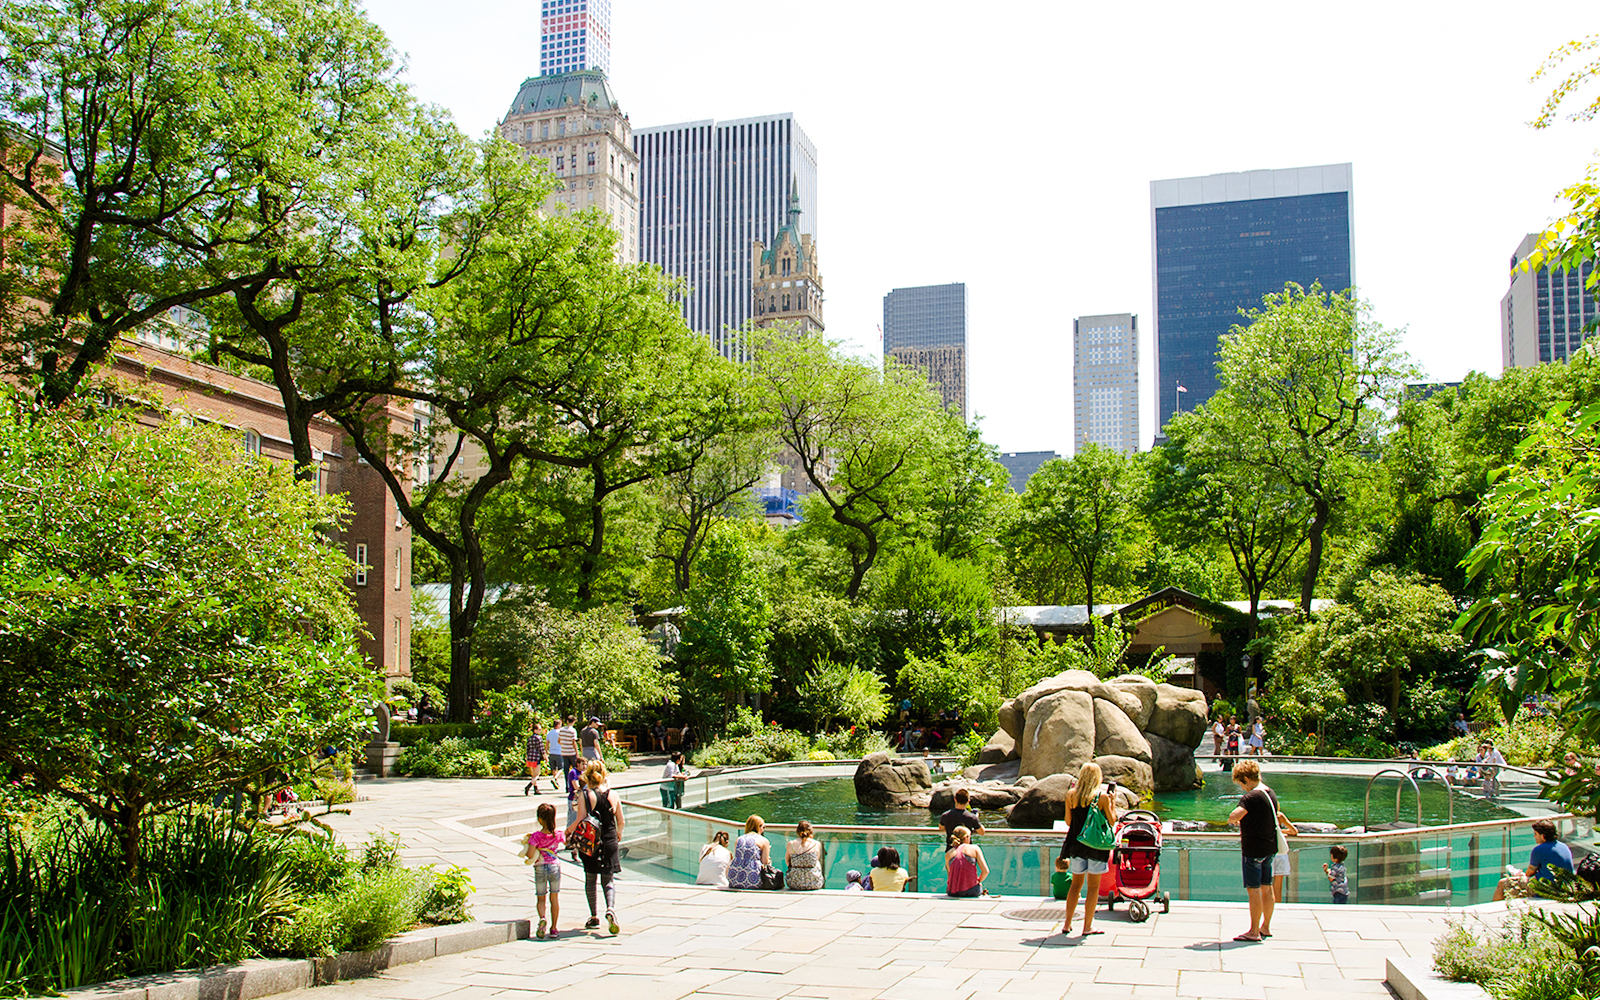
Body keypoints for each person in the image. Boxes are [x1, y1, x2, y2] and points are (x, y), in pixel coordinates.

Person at [1228, 758, 1285, 942]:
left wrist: (1236, 818)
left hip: (1253, 851)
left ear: (1246, 778)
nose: (1242, 788)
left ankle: (1253, 931)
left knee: (1253, 891)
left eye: (1240, 783)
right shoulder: (1270, 792)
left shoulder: (1251, 797)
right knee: (1267, 888)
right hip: (1270, 848)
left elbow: (1233, 816)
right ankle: (1265, 927)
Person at [565, 759, 623, 935]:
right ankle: (611, 908)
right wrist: (618, 835)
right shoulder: (613, 795)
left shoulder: (585, 795)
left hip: (591, 841)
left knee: (590, 878)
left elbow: (581, 818)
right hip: (610, 839)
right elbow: (621, 821)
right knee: (608, 879)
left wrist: (568, 831)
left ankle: (594, 916)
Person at [1058, 761, 1115, 937]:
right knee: (1093, 887)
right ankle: (1087, 927)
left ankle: (1067, 924)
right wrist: (1112, 803)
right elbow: (1112, 821)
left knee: (1075, 885)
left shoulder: (1071, 796)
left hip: (1076, 845)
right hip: (1096, 846)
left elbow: (1068, 822)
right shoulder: (1102, 798)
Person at [1493, 819, 1576, 900]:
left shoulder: (1539, 850)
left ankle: (1495, 912)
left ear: (1543, 836)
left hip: (1546, 889)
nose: (1534, 836)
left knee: (1502, 883)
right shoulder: (1564, 846)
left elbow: (1529, 873)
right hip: (1564, 888)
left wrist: (1521, 874)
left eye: (1536, 834)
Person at [519, 803, 565, 939]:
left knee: (541, 897)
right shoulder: (558, 834)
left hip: (540, 867)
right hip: (554, 867)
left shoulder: (535, 836)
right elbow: (566, 841)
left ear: (540, 819)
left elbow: (530, 854)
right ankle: (554, 928)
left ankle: (542, 919)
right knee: (554, 897)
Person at [726, 815, 772, 890]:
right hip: (753, 880)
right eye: (763, 827)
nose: (763, 830)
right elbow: (765, 862)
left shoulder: (739, 839)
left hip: (734, 879)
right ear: (759, 826)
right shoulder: (763, 841)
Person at [945, 826, 989, 898]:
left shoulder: (948, 854)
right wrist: (978, 882)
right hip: (971, 891)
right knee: (980, 887)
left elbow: (950, 874)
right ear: (966, 837)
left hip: (952, 891)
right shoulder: (974, 848)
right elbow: (985, 871)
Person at [785, 819, 825, 890]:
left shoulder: (791, 844)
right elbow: (816, 861)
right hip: (813, 882)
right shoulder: (816, 844)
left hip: (794, 882)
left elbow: (787, 862)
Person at [524, 721, 549, 796]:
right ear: (535, 730)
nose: (540, 731)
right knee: (537, 774)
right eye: (539, 729)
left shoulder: (530, 738)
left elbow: (527, 748)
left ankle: (536, 788)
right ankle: (529, 786)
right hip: (536, 757)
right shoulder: (539, 738)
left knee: (533, 774)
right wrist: (545, 757)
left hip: (530, 757)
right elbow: (541, 749)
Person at [554, 717, 579, 788]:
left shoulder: (561, 730)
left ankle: (567, 786)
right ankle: (574, 785)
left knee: (566, 770)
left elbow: (559, 740)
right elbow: (574, 742)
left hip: (564, 752)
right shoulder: (573, 731)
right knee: (575, 769)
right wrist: (577, 753)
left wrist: (564, 745)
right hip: (572, 752)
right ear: (573, 721)